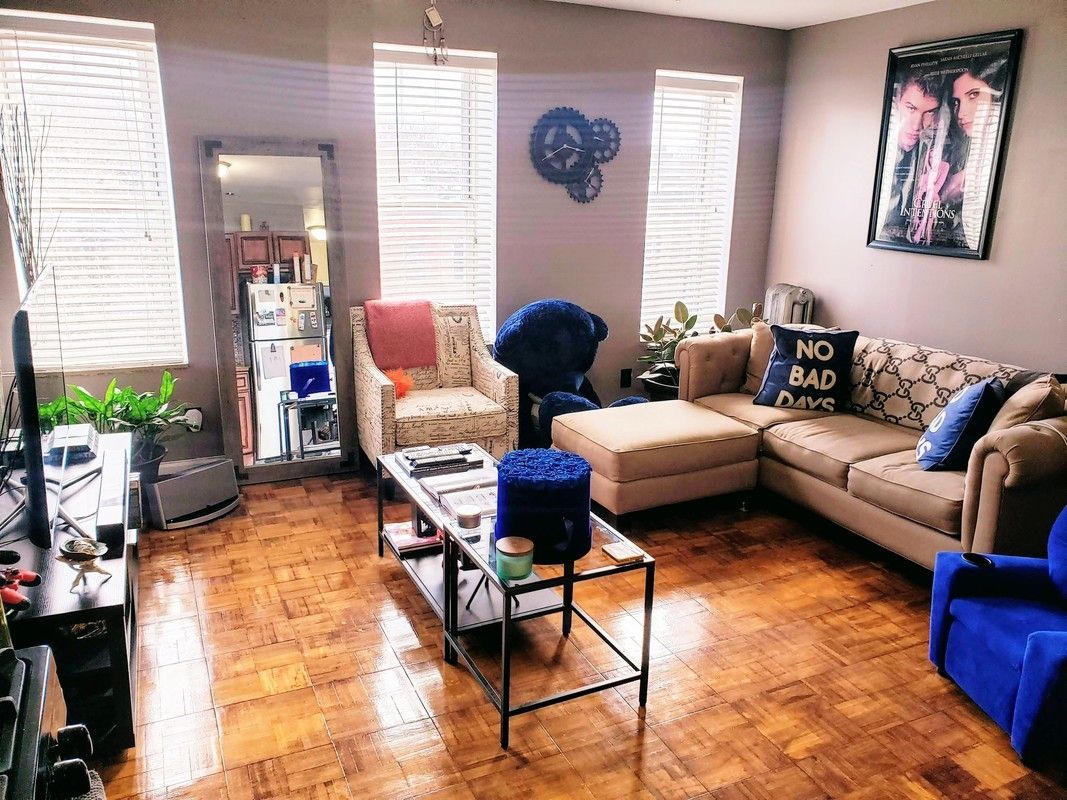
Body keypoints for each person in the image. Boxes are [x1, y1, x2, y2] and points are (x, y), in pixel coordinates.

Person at [879, 69, 942, 242]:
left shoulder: (933, 149)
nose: (917, 126)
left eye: (929, 112)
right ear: (897, 99)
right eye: (911, 108)